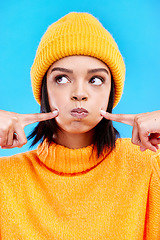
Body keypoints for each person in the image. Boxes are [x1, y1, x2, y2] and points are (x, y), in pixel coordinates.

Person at [0, 12, 160, 240]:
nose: (79, 94)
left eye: (95, 80)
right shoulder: (5, 178)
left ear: (111, 92)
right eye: (62, 79)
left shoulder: (148, 163)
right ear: (44, 90)